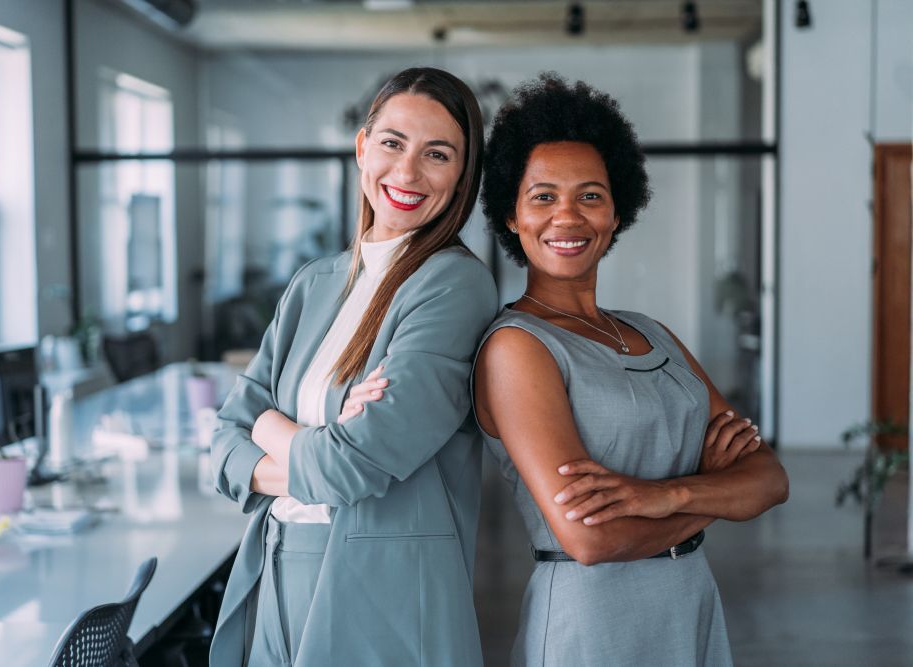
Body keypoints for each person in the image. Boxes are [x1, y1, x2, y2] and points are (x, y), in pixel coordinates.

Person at [469, 74, 790, 665]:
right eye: (542, 196)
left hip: (688, 602)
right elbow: (589, 538)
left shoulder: (652, 332)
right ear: (511, 216)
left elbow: (770, 480)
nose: (567, 216)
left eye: (590, 195)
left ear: (617, 213)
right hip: (591, 623)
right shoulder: (517, 347)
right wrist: (714, 494)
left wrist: (666, 497)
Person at [208, 67, 497, 667]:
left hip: (378, 589)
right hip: (277, 567)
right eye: (392, 143)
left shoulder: (454, 286)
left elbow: (347, 468)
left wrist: (266, 425)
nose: (408, 172)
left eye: (437, 154)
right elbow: (221, 440)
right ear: (362, 146)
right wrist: (311, 442)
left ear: (463, 176)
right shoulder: (315, 283)